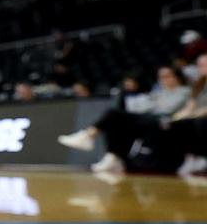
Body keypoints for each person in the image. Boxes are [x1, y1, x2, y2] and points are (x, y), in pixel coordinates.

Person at [58, 64, 196, 175]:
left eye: (167, 76)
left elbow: (167, 108)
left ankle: (88, 137)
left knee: (114, 114)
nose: (163, 80)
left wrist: (152, 103)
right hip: (149, 120)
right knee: (115, 120)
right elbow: (145, 106)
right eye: (161, 77)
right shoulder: (159, 93)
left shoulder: (183, 91)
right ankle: (112, 157)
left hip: (164, 122)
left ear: (177, 77)